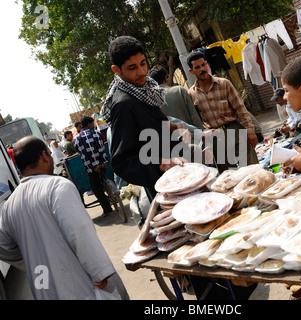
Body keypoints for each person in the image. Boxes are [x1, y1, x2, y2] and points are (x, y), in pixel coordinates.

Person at [0, 136, 129, 300]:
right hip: (79, 287)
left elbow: (3, 247)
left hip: (43, 289)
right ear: (44, 156)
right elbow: (80, 232)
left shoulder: (9, 206)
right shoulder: (57, 186)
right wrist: (100, 271)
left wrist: (31, 258)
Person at [100, 36, 188, 199]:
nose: (141, 72)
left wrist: (171, 127)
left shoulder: (145, 90)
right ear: (117, 70)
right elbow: (123, 162)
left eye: (142, 64)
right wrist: (160, 163)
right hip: (167, 191)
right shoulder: (123, 104)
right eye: (132, 67)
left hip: (182, 175)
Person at [187, 51, 259, 173]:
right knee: (228, 177)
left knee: (251, 171)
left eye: (203, 64)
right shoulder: (191, 94)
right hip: (215, 138)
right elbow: (196, 122)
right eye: (197, 67)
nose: (202, 69)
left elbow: (241, 108)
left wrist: (250, 131)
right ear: (191, 71)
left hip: (234, 131)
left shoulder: (224, 84)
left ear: (207, 64)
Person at [74, 116, 113, 216]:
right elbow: (101, 146)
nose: (94, 125)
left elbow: (79, 152)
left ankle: (107, 209)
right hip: (103, 163)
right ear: (89, 124)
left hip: (91, 168)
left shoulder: (77, 139)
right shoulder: (97, 133)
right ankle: (112, 193)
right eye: (92, 123)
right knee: (106, 178)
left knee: (96, 188)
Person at [148, 66, 204, 130]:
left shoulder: (149, 101)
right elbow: (194, 117)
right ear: (165, 78)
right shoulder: (180, 91)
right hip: (191, 137)